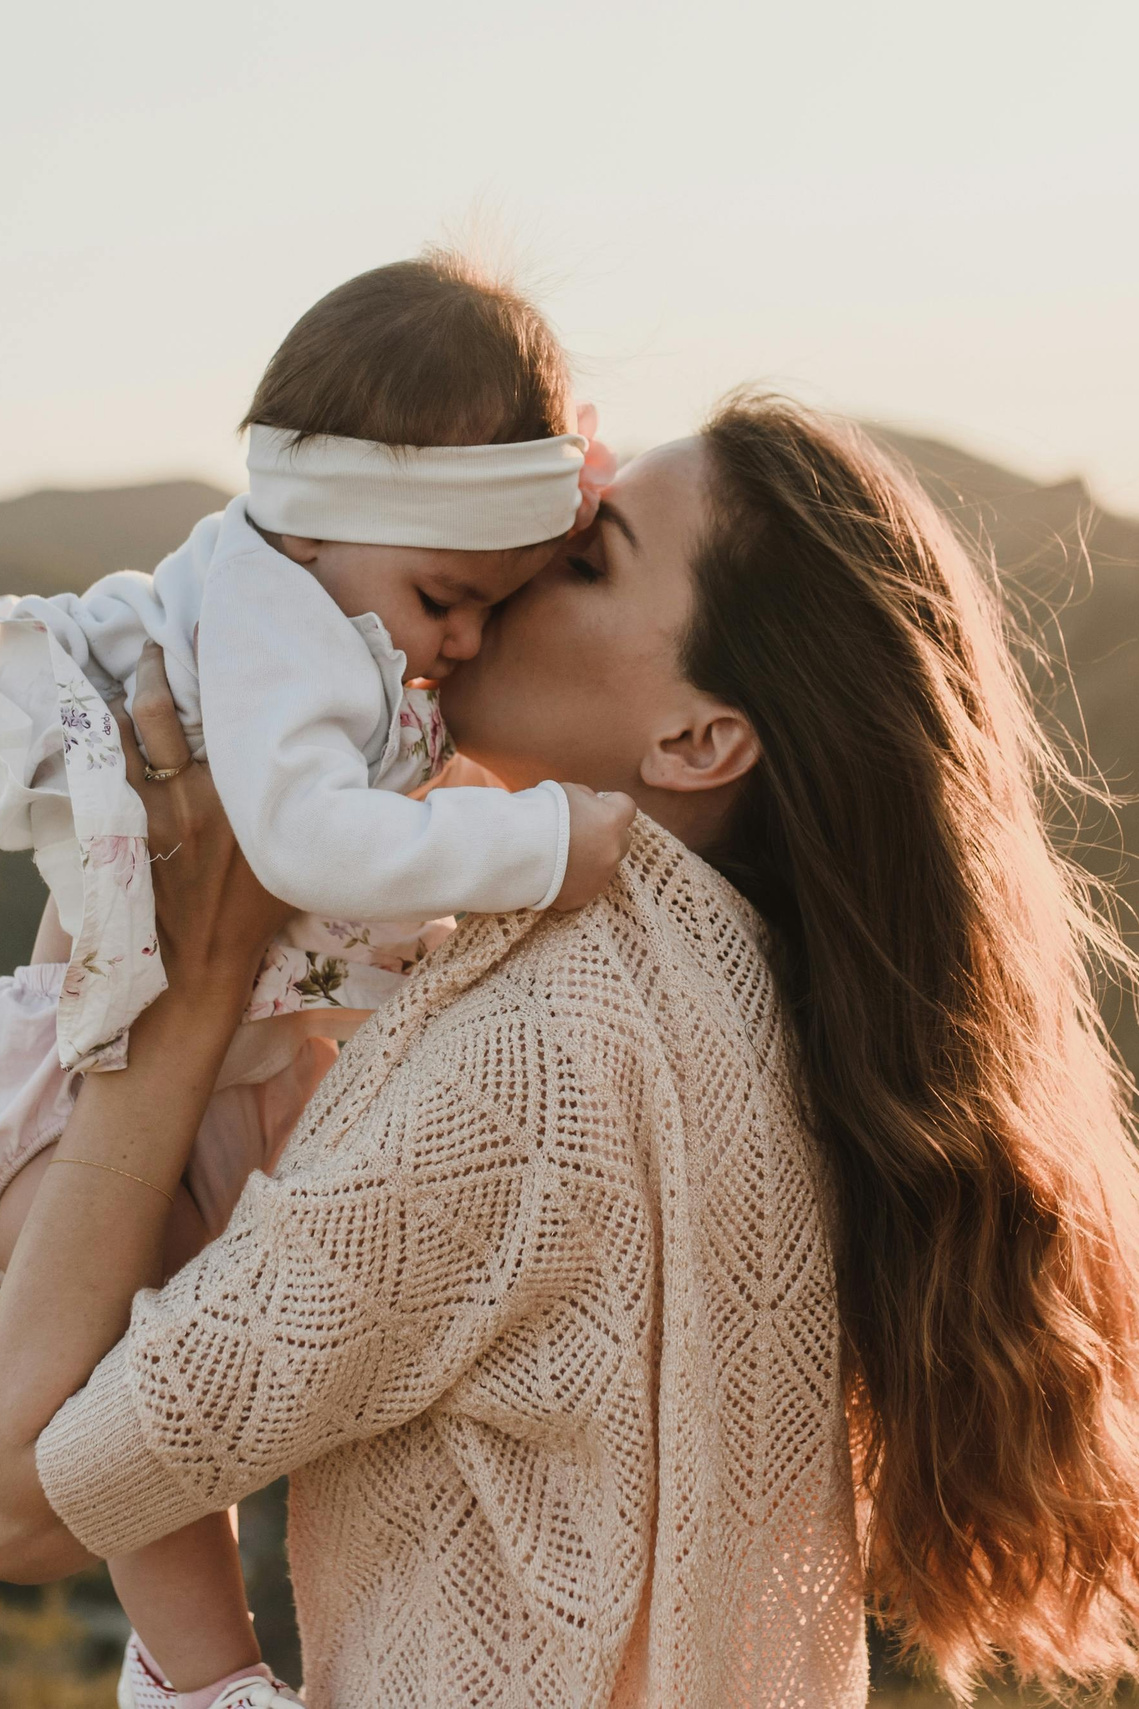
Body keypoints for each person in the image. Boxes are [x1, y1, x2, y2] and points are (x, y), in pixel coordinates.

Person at [2, 392, 1139, 1709]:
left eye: (586, 557)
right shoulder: (742, 1017)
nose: (521, 562)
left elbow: (28, 1495)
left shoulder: (536, 1058)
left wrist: (183, 1000)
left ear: (698, 739)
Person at [0, 251, 634, 1706]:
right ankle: (204, 1673)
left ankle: (201, 1668)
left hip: (212, 1059)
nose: (461, 643)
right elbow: (302, 839)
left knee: (153, 1372)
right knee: (111, 1381)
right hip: (120, 1072)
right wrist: (540, 841)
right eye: (446, 597)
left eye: (499, 602)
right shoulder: (281, 612)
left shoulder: (323, 596)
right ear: (354, 517)